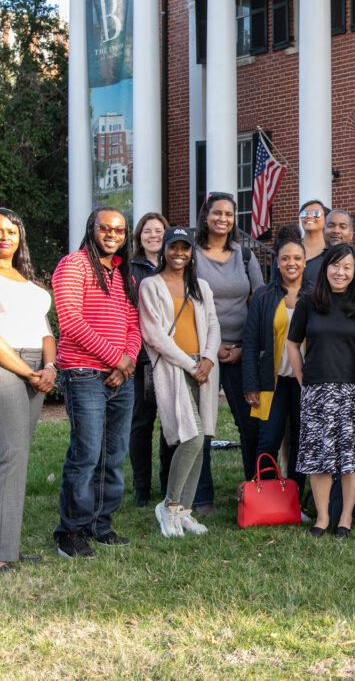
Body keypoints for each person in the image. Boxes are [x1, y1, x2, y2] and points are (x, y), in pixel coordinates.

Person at [0, 208, 56, 573]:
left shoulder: (28, 280)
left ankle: (8, 547)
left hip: (37, 367)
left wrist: (49, 368)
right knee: (11, 453)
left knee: (18, 456)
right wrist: (30, 374)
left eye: (12, 232)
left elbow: (45, 329)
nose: (5, 237)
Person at [52, 207, 140, 558]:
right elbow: (71, 322)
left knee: (114, 455)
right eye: (105, 228)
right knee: (86, 454)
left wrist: (128, 362)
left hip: (121, 377)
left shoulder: (125, 275)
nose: (112, 235)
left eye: (119, 230)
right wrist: (115, 358)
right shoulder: (73, 265)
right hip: (84, 374)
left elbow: (135, 325)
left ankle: (99, 525)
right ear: (92, 229)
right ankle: (70, 531)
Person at [286, 244, 355, 538]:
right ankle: (323, 518)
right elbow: (292, 342)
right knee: (319, 457)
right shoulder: (309, 302)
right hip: (317, 389)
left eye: (347, 267)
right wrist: (302, 376)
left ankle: (346, 519)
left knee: (351, 457)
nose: (340, 272)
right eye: (335, 265)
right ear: (326, 268)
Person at [138, 227, 220, 538]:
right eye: (174, 247)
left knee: (203, 437)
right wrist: (191, 364)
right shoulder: (151, 286)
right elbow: (155, 334)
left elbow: (213, 324)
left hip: (204, 367)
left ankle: (185, 510)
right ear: (164, 250)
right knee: (192, 436)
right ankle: (169, 506)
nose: (179, 254)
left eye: (185, 248)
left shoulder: (201, 286)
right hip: (175, 367)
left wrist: (209, 359)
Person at [191, 192, 265, 514]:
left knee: (250, 424)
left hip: (241, 352)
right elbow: (184, 304)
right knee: (202, 425)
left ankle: (256, 487)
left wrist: (245, 349)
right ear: (205, 216)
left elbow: (259, 301)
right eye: (216, 213)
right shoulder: (191, 255)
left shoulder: (244, 256)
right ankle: (201, 495)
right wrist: (212, 347)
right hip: (203, 351)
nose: (223, 219)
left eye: (229, 214)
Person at [243, 226, 312, 504]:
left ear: (305, 262)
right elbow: (249, 342)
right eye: (285, 258)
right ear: (277, 262)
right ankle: (267, 498)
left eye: (297, 258)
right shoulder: (262, 296)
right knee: (268, 439)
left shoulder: (316, 294)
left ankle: (294, 498)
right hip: (270, 381)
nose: (291, 263)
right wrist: (250, 383)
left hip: (304, 382)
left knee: (301, 441)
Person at [128, 212, 170, 507]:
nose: (154, 235)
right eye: (148, 231)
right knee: (142, 422)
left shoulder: (177, 264)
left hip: (172, 355)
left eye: (159, 230)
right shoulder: (130, 269)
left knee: (171, 422)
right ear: (139, 236)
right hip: (143, 356)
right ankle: (141, 486)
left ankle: (168, 482)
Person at [303, 208, 353, 286]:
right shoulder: (308, 268)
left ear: (351, 234)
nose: (336, 231)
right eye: (331, 226)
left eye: (342, 227)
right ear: (323, 232)